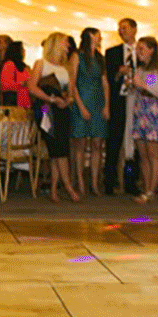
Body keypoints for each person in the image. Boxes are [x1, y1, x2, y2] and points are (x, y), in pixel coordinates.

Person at [28, 32, 80, 203]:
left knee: (58, 150)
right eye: (65, 43)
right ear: (56, 44)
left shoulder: (67, 67)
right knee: (59, 148)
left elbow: (71, 91)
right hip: (46, 110)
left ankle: (53, 190)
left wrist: (68, 100)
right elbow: (32, 88)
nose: (68, 46)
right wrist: (51, 99)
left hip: (63, 109)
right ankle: (68, 187)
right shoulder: (41, 64)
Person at [129, 37, 158, 204]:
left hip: (154, 112)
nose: (139, 52)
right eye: (137, 49)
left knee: (153, 154)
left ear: (152, 50)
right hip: (142, 112)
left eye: (142, 49)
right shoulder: (143, 69)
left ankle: (151, 190)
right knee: (143, 155)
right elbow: (143, 87)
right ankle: (146, 188)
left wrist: (141, 84)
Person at [69, 27, 109, 196]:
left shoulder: (101, 58)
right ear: (89, 37)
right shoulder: (77, 56)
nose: (100, 38)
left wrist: (107, 105)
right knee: (80, 143)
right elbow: (72, 83)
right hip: (82, 100)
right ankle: (80, 181)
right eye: (97, 35)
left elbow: (105, 81)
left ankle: (94, 182)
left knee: (97, 143)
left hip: (98, 101)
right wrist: (80, 106)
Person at [105, 18, 140, 196]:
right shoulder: (112, 53)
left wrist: (144, 83)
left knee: (133, 144)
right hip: (119, 102)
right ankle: (109, 181)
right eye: (119, 29)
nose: (121, 31)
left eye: (124, 28)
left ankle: (131, 180)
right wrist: (119, 72)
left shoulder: (144, 50)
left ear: (134, 29)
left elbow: (155, 77)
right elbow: (108, 81)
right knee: (114, 142)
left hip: (139, 102)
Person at [0, 41, 30, 108]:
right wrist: (21, 84)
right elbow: (6, 85)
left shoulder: (24, 67)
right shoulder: (9, 64)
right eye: (22, 49)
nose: (24, 51)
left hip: (24, 102)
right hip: (14, 102)